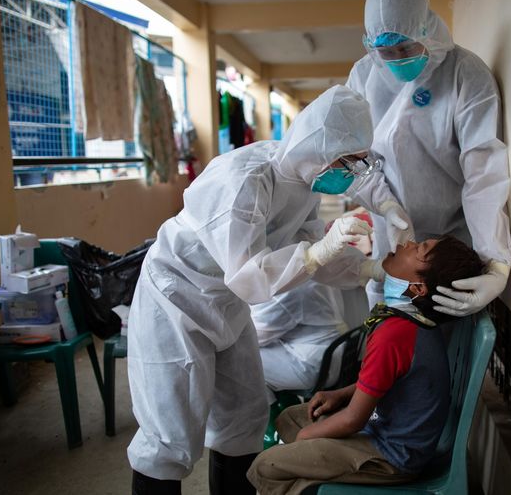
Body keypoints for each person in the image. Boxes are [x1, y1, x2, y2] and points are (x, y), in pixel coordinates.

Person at [127, 85, 386, 495]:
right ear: (318, 148)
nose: (348, 174)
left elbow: (314, 252)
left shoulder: (302, 185)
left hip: (226, 305)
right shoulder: (244, 180)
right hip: (176, 298)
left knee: (244, 418)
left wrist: (371, 267)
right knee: (169, 434)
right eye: (345, 162)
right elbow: (249, 276)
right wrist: (317, 252)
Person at [246, 235, 485, 495]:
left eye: (419, 249)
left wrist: (306, 440)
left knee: (266, 466)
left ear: (418, 288)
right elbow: (388, 381)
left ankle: (306, 479)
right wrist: (340, 394)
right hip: (388, 429)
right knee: (292, 417)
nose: (407, 244)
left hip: (392, 456)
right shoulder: (411, 320)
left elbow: (353, 420)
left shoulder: (395, 333)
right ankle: (308, 474)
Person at [345, 0, 511, 317]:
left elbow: (483, 173)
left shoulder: (464, 75)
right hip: (391, 236)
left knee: (440, 327)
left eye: (404, 47)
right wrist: (388, 207)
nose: (395, 59)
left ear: (425, 27)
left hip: (449, 242)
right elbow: (353, 160)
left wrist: (496, 262)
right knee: (384, 328)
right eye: (385, 51)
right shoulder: (363, 77)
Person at [250, 279, 348, 404]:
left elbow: (255, 336)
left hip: (313, 366)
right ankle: (287, 403)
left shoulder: (288, 290)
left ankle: (272, 415)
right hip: (336, 353)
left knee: (240, 356)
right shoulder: (312, 274)